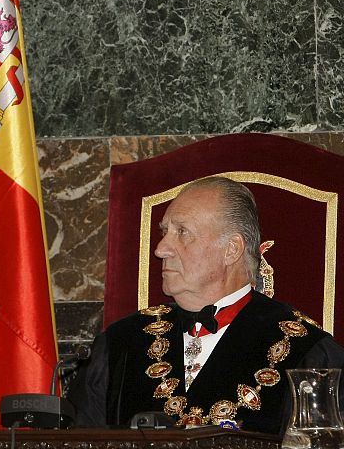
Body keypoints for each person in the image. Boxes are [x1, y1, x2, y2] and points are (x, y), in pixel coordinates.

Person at [68, 176, 344, 434]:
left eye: (182, 232)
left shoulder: (304, 351)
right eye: (165, 232)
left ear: (231, 250)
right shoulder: (120, 345)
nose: (161, 249)